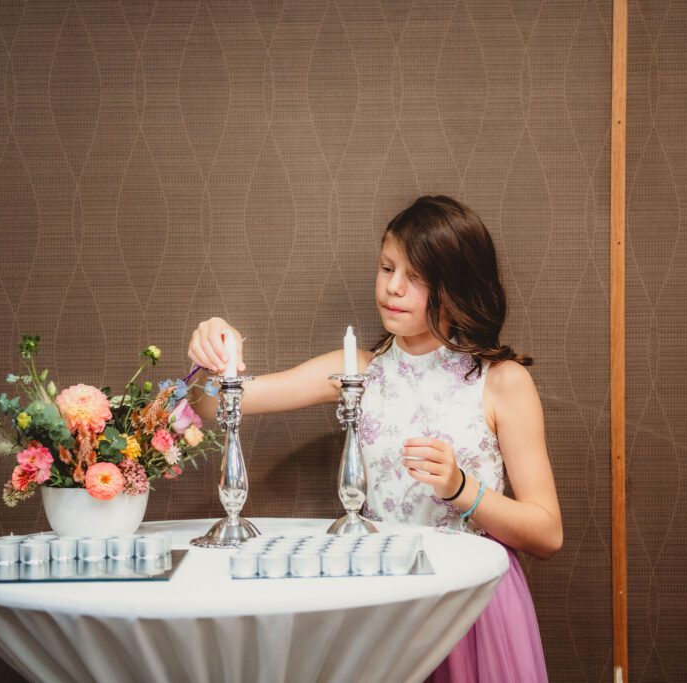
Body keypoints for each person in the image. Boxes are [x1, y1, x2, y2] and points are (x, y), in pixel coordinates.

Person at [187, 195, 560, 682]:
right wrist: (213, 350)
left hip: (472, 607)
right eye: (387, 268)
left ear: (457, 285)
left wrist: (461, 488)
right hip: (384, 602)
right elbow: (214, 403)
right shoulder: (356, 373)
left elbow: (547, 533)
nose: (393, 288)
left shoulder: (501, 381)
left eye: (416, 277)